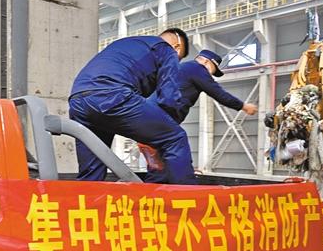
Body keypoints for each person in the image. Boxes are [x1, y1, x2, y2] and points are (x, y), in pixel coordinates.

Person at [69, 28, 196, 184]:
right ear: (177, 47)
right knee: (176, 138)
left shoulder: (127, 44)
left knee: (92, 172)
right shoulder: (166, 49)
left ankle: (87, 198)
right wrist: (167, 125)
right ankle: (189, 195)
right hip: (112, 96)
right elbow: (168, 97)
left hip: (78, 102)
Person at [140, 49, 258, 182]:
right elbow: (219, 93)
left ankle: (152, 190)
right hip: (159, 119)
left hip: (147, 118)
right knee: (178, 143)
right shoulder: (197, 69)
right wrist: (244, 106)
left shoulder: (178, 68)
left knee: (159, 166)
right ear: (207, 62)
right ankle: (187, 188)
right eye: (212, 71)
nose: (210, 76)